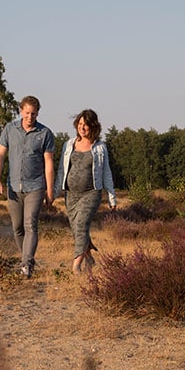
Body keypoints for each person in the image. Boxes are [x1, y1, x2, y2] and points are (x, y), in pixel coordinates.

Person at [0, 95, 55, 278]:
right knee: (17, 227)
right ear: (21, 111)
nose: (30, 117)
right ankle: (26, 260)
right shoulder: (9, 129)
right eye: (27, 113)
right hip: (13, 187)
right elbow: (0, 155)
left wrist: (50, 190)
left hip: (35, 186)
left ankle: (26, 264)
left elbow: (49, 163)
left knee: (30, 225)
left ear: (38, 114)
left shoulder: (45, 134)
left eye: (33, 114)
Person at [55, 108, 116, 274]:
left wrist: (112, 198)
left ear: (93, 126)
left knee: (81, 225)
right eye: (80, 124)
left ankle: (76, 266)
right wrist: (54, 193)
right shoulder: (68, 145)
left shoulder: (100, 148)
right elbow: (61, 169)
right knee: (77, 230)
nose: (82, 128)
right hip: (71, 194)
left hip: (91, 193)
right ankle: (89, 259)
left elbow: (106, 172)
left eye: (86, 125)